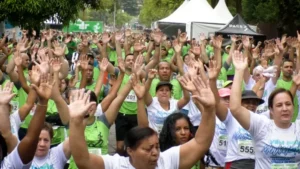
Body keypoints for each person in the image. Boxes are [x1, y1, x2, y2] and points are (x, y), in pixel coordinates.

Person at [68, 74, 216, 169]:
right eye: (147, 148)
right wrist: (75, 121)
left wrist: (209, 110)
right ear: (130, 151)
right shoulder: (116, 165)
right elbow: (83, 161)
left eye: (157, 147)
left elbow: (200, 143)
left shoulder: (166, 161)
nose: (155, 153)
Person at [230, 50, 300, 169]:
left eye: (288, 104)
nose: (284, 108)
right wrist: (239, 71)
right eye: (279, 105)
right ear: (271, 110)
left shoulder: (298, 127)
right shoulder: (262, 125)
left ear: (293, 108)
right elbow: (236, 108)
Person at [1, 74, 53, 168]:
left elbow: (29, 104)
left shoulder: (13, 118)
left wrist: (34, 84)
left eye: (8, 104)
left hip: (16, 160)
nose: (7, 106)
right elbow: (6, 134)